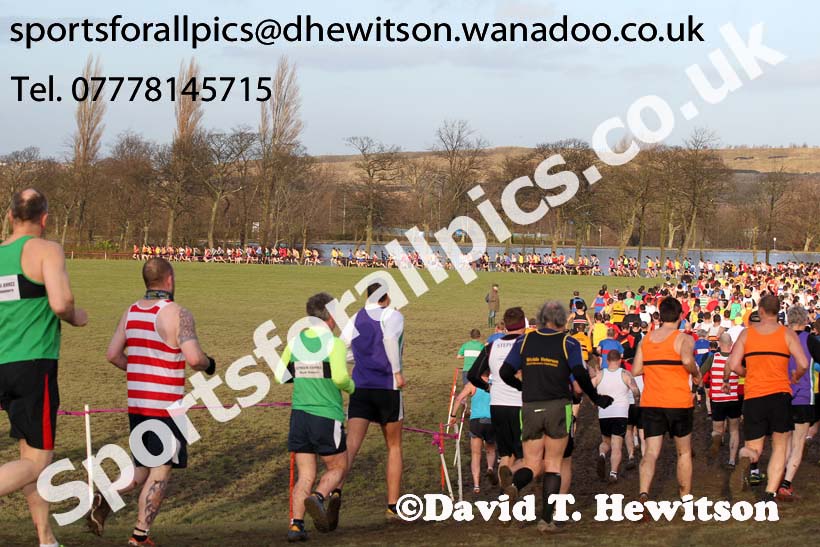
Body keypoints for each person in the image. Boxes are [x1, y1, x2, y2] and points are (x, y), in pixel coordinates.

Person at [90, 257, 216, 546]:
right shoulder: (177, 313)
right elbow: (195, 358)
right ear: (169, 279)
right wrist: (210, 365)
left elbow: (112, 354)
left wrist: (138, 369)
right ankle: (139, 536)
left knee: (142, 469)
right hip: (165, 407)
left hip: (137, 404)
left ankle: (107, 494)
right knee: (160, 472)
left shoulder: (131, 311)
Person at [0, 189, 87, 547]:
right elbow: (61, 301)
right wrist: (75, 316)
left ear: (9, 216)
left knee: (27, 455)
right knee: (37, 463)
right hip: (33, 366)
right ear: (45, 218)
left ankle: (45, 539)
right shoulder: (47, 250)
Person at [498, 301, 612, 533]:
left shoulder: (524, 340)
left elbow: (504, 372)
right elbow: (580, 374)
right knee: (553, 465)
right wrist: (597, 398)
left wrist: (522, 387)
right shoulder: (568, 342)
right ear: (562, 321)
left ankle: (515, 485)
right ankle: (546, 521)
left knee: (530, 462)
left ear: (539, 320)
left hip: (530, 407)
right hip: (558, 407)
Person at [278, 293, 355, 541]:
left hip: (299, 415)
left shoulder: (296, 341)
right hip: (326, 415)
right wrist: (353, 388)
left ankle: (296, 525)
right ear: (331, 316)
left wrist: (306, 374)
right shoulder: (335, 343)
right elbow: (341, 378)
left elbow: (282, 375)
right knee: (339, 467)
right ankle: (319, 497)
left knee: (305, 474)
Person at [726, 294, 809, 502]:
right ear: (778, 311)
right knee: (780, 446)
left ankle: (745, 460)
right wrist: (796, 376)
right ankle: (769, 494)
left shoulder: (747, 334)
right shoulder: (787, 334)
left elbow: (733, 364)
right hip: (779, 395)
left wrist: (747, 373)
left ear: (761, 311)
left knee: (754, 446)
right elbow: (803, 364)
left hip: (754, 395)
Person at [341, 283, 405, 519]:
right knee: (394, 446)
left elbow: (340, 347)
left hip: (360, 387)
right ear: (386, 298)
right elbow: (389, 339)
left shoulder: (356, 317)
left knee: (351, 445)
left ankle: (335, 490)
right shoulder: (394, 315)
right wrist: (396, 371)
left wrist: (356, 360)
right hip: (387, 387)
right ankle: (392, 506)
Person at [631, 296, 702, 502]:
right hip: (678, 401)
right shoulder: (684, 338)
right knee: (684, 452)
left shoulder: (647, 339)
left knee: (651, 453)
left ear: (660, 317)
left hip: (652, 401)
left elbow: (636, 369)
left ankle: (643, 494)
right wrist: (695, 374)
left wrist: (657, 365)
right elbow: (688, 360)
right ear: (681, 316)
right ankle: (685, 498)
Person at [468, 307, 527, 485]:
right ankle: (513, 488)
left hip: (497, 404)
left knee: (506, 452)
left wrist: (487, 387)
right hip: (520, 404)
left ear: (506, 326)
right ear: (523, 324)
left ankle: (504, 492)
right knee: (523, 455)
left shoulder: (491, 347)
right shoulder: (526, 344)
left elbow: (472, 375)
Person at [776, 306, 816, 501]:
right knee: (798, 442)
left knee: (784, 442)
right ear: (805, 320)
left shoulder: (781, 338)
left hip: (782, 395)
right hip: (803, 397)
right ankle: (785, 484)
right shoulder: (809, 340)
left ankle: (777, 478)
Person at [591, 350, 640, 483]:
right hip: (620, 413)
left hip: (604, 413)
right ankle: (613, 473)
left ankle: (602, 454)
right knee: (617, 445)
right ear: (619, 360)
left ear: (607, 361)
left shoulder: (600, 374)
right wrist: (636, 402)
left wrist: (595, 401)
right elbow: (635, 390)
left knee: (606, 442)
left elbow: (590, 388)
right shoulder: (625, 374)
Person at [449, 379, 497, 494]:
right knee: (490, 449)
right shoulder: (494, 384)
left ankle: (476, 485)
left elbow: (459, 398)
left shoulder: (472, 384)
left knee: (476, 454)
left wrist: (453, 415)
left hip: (476, 422)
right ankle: (490, 468)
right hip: (491, 421)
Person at [701, 333, 741, 468]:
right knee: (734, 429)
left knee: (717, 428)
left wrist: (695, 389)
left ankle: (718, 437)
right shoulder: (736, 360)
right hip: (733, 398)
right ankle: (732, 460)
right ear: (731, 345)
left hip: (717, 399)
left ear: (719, 344)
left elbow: (701, 372)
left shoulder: (713, 358)